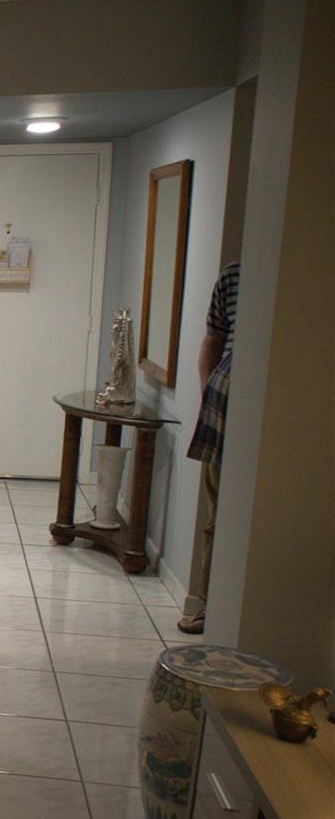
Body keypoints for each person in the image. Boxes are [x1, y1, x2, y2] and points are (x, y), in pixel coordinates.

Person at [178, 261, 238, 634]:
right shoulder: (233, 276)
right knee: (218, 514)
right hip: (223, 409)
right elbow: (212, 340)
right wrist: (210, 395)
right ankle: (210, 604)